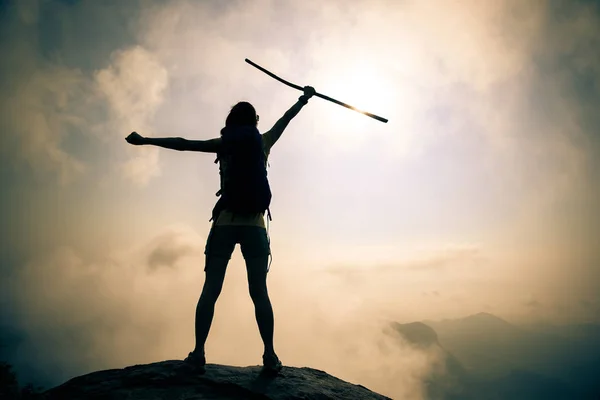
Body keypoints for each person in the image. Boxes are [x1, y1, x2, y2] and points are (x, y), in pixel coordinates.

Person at [125, 86, 316, 374]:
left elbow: (183, 143)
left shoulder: (224, 144)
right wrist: (304, 98)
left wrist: (146, 140)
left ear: (232, 121)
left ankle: (198, 352)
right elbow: (285, 120)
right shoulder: (262, 141)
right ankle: (270, 355)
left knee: (210, 290)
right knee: (260, 293)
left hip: (225, 223)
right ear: (254, 121)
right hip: (255, 226)